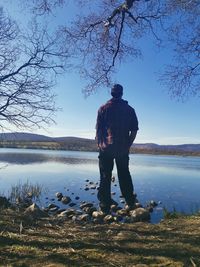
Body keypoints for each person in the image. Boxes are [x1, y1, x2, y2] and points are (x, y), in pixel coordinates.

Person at [96, 84, 139, 213]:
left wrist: (100, 144)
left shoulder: (103, 108)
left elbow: (98, 130)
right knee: (124, 174)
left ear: (111, 93)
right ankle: (130, 202)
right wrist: (128, 145)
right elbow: (134, 131)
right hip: (122, 148)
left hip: (105, 148)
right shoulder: (129, 109)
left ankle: (104, 204)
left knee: (105, 175)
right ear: (121, 94)